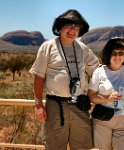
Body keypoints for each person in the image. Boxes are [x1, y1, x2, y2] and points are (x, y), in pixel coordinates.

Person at [29, 9, 99, 150]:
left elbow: (98, 71)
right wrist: (38, 105)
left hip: (79, 105)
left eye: (76, 27)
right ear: (60, 27)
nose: (73, 30)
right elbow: (38, 77)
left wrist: (122, 69)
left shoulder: (83, 49)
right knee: (54, 146)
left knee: (82, 146)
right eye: (69, 25)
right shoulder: (48, 47)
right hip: (55, 106)